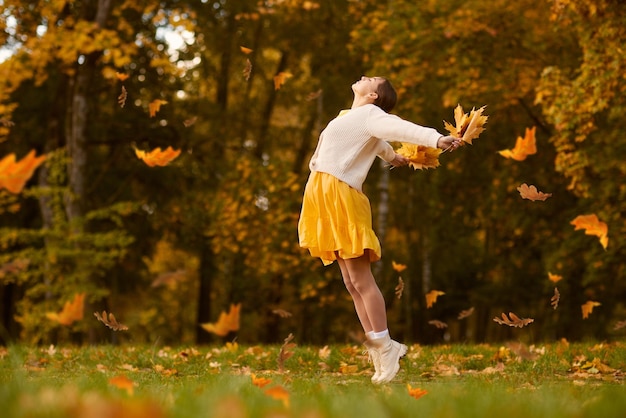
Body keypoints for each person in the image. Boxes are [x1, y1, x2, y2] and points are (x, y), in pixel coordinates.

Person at [298, 76, 461, 384]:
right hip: (323, 192)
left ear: (373, 95)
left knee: (360, 278)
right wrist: (393, 156)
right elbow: (374, 141)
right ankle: (379, 348)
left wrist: (436, 139)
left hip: (342, 195)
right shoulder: (351, 117)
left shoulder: (373, 115)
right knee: (350, 281)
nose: (364, 77)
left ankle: (386, 347)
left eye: (371, 79)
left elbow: (400, 129)